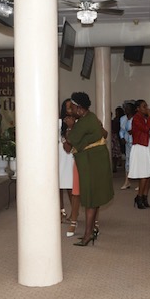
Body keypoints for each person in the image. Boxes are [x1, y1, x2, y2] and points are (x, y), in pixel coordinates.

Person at [63, 92, 114, 246]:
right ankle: (90, 232)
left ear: (79, 108)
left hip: (92, 162)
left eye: (72, 108)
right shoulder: (91, 117)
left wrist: (69, 127)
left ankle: (87, 235)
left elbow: (69, 143)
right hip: (96, 160)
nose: (70, 111)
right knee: (94, 197)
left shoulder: (82, 123)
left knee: (90, 198)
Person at [59, 99, 80, 237]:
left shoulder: (78, 122)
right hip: (60, 155)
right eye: (68, 107)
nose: (70, 110)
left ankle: (74, 212)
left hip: (72, 155)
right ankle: (61, 211)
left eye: (72, 107)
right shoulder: (59, 123)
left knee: (72, 185)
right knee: (60, 184)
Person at [129, 99, 150, 209]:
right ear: (138, 109)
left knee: (148, 174)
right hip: (140, 147)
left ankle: (145, 197)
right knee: (143, 174)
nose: (146, 108)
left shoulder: (144, 118)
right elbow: (145, 129)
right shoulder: (136, 118)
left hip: (146, 145)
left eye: (146, 106)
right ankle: (139, 197)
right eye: (144, 106)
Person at [119, 102, 135, 190]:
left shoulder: (136, 118)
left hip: (135, 143)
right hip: (127, 143)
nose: (126, 109)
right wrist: (122, 137)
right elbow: (121, 130)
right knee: (128, 161)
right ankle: (127, 181)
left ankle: (140, 183)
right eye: (125, 108)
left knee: (136, 161)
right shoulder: (122, 118)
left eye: (128, 108)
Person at [111, 107, 124, 172]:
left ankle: (116, 165)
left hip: (116, 136)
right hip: (115, 137)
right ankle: (116, 165)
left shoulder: (117, 120)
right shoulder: (115, 120)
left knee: (115, 153)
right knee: (115, 153)